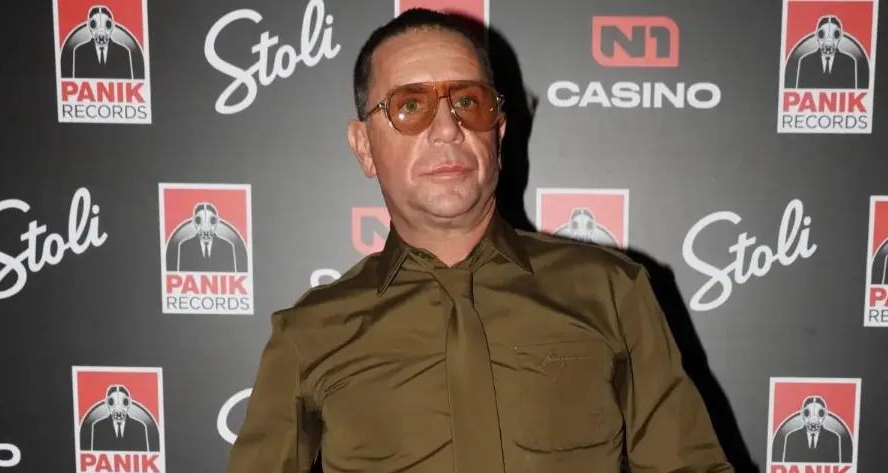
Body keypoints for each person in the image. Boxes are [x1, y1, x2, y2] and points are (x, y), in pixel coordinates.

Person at [227, 9, 733, 473]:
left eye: (468, 102)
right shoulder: (309, 333)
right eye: (410, 105)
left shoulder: (612, 292)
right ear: (363, 146)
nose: (448, 128)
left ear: (499, 132)